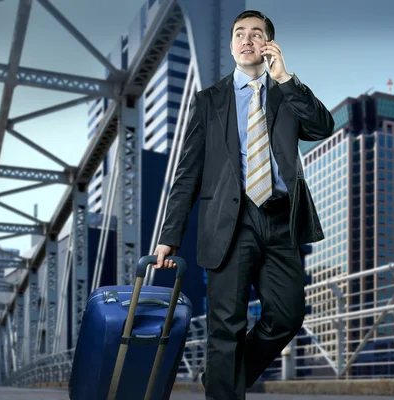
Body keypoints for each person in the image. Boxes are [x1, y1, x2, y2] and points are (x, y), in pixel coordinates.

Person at [153, 9, 334, 399]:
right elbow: (187, 174)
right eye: (239, 33)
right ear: (232, 43)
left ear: (268, 44)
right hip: (229, 222)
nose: (247, 39)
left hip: (280, 219)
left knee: (287, 315)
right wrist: (169, 236)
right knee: (226, 326)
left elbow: (322, 128)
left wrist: (285, 77)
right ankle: (224, 390)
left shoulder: (286, 94)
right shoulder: (208, 101)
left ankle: (224, 379)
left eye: (256, 34)